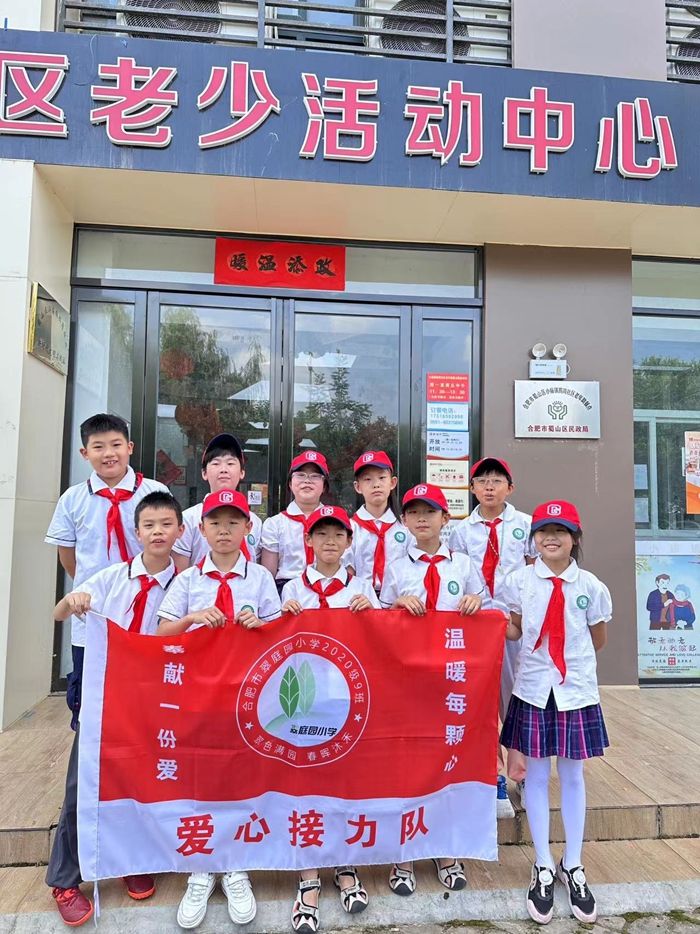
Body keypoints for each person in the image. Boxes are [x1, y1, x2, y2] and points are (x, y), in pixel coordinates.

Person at [46, 491, 183, 927]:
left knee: (141, 779)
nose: (158, 532)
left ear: (180, 531)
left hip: (157, 698)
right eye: (149, 525)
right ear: (136, 532)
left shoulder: (187, 583)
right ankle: (65, 879)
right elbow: (58, 613)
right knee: (83, 784)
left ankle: (130, 859)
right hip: (107, 697)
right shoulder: (111, 577)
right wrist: (73, 602)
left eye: (166, 524)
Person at [157, 489, 281, 931]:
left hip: (248, 697)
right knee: (202, 774)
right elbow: (161, 630)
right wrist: (192, 619)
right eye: (215, 523)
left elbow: (280, 634)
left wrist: (259, 624)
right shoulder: (189, 580)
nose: (224, 531)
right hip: (200, 695)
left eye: (233, 523)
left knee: (242, 774)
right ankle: (201, 867)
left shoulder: (260, 578)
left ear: (248, 528)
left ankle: (235, 865)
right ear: (202, 529)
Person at [500, 501, 611, 926]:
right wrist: (494, 625)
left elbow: (597, 638)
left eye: (560, 531)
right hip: (532, 687)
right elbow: (515, 628)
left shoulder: (591, 586)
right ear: (534, 539)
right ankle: (543, 864)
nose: (551, 538)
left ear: (574, 538)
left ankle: (573, 863)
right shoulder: (519, 581)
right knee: (535, 775)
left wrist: (566, 659)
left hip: (574, 690)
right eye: (544, 531)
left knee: (573, 775)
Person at [380, 483, 483, 897]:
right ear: (404, 520)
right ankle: (403, 853)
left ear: (446, 518)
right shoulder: (396, 568)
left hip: (452, 680)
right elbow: (378, 622)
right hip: (408, 679)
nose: (422, 519)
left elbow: (488, 609)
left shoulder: (464, 565)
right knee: (407, 762)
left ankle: (444, 849)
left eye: (430, 511)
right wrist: (396, 606)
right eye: (414, 512)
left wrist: (477, 602)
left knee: (446, 760)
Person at [281, 505, 379, 933]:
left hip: (347, 702)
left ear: (349, 541)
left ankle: (345, 865)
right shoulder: (291, 589)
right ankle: (308, 877)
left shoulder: (362, 588)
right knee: (306, 785)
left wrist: (372, 614)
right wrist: (283, 619)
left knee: (345, 784)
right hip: (303, 704)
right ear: (308, 540)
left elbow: (382, 642)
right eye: (321, 534)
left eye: (338, 534)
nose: (330, 542)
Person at [448, 456, 534, 818]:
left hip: (515, 624)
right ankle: (493, 775)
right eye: (482, 480)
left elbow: (534, 573)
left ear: (509, 488)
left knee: (517, 701)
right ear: (471, 488)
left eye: (496, 480)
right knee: (480, 703)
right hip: (476, 625)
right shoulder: (460, 531)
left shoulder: (525, 525)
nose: (488, 486)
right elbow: (457, 576)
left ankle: (524, 776)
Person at [172, 433, 262, 571]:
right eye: (216, 463)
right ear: (204, 473)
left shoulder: (255, 522)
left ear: (242, 472)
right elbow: (180, 573)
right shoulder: (188, 519)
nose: (224, 469)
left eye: (230, 463)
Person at [345, 451, 414, 593]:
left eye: (382, 477)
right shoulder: (349, 528)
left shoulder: (405, 527)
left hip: (399, 597)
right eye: (367, 479)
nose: (376, 484)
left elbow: (413, 568)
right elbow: (347, 570)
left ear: (392, 482)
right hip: (360, 597)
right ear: (358, 487)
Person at [261, 451, 329, 594]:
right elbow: (268, 575)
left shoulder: (336, 524)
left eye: (315, 476)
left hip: (328, 588)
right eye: (300, 475)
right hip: (286, 590)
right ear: (290, 484)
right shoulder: (274, 524)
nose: (307, 481)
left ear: (324, 486)